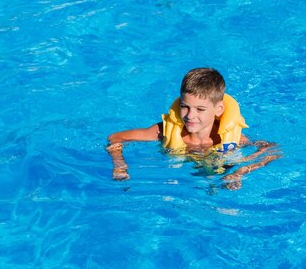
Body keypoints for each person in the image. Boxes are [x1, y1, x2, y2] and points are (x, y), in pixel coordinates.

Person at [106, 68, 280, 190]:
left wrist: (241, 172)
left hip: (218, 175)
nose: (190, 115)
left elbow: (272, 150)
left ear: (219, 109)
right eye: (185, 106)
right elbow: (116, 137)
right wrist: (119, 165)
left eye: (200, 109)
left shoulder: (231, 137)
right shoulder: (165, 132)